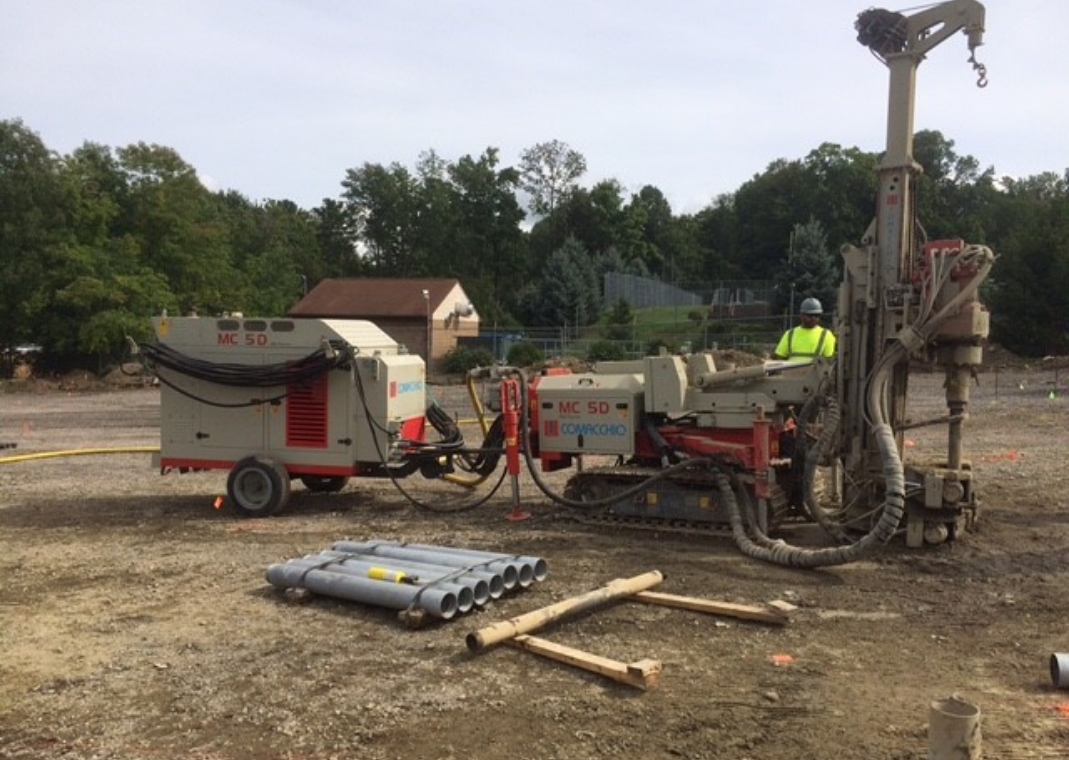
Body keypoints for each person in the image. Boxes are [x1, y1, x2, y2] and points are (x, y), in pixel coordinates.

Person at [773, 297, 836, 362]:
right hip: (792, 369)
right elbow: (779, 358)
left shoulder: (826, 335)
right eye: (810, 315)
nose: (813, 318)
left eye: (816, 315)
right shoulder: (790, 334)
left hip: (815, 369)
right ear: (801, 315)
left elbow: (829, 361)